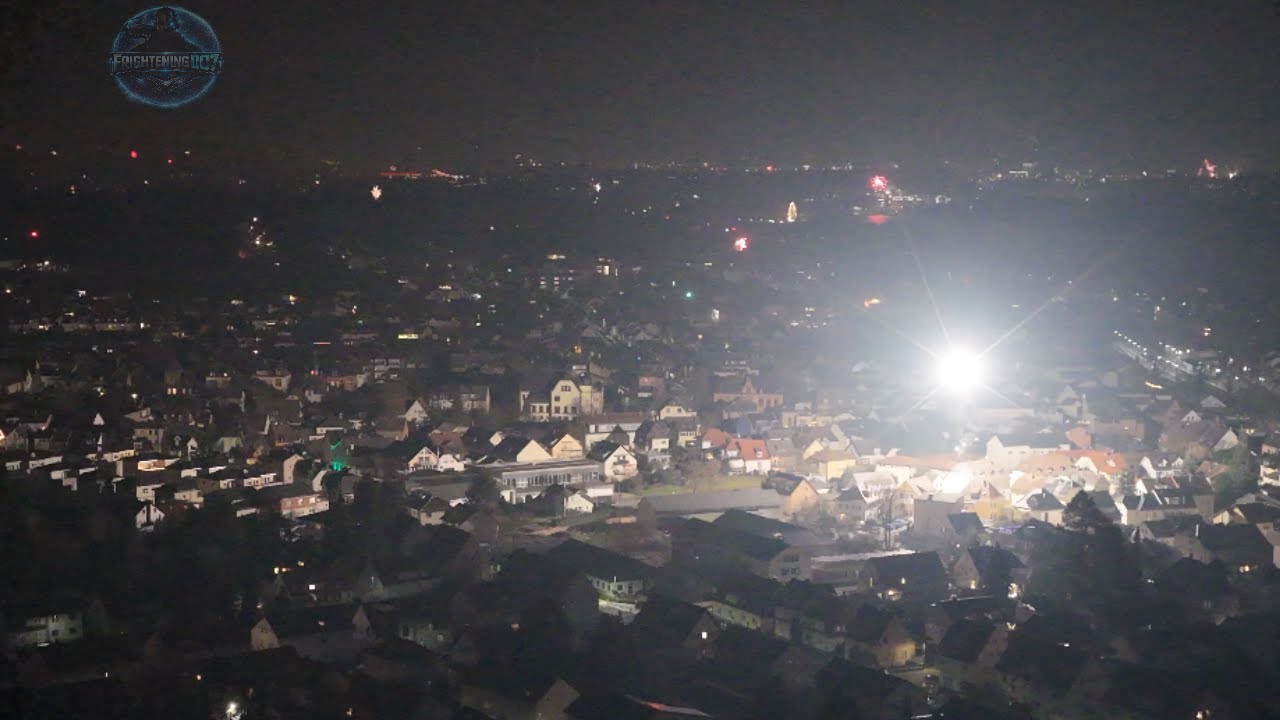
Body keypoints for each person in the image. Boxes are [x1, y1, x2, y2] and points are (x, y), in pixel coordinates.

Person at [130, 7, 200, 53]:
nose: (164, 27)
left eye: (168, 23)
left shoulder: (181, 42)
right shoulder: (150, 41)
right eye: (159, 23)